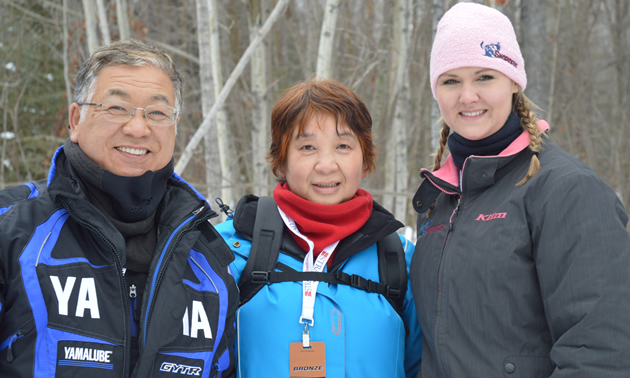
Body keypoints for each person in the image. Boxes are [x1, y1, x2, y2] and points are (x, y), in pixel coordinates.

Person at [411, 2, 630, 377]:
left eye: (484, 77)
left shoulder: (567, 190)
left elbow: (599, 353)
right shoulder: (440, 197)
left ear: (514, 81)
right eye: (451, 81)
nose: (467, 97)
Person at [0, 40, 239, 377]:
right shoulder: (12, 229)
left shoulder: (210, 265)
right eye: (116, 107)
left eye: (157, 113)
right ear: (76, 119)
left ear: (174, 127)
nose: (138, 128)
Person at [215, 78, 422, 377]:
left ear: (365, 160)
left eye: (343, 146)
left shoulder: (398, 257)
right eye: (308, 147)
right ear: (281, 161)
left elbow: (422, 365)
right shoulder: (230, 249)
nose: (326, 165)